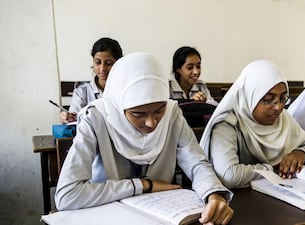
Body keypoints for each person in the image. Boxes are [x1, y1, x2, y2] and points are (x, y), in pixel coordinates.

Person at [55, 52, 233, 225]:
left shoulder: (172, 113)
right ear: (119, 104)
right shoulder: (96, 117)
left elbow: (197, 164)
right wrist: (143, 185)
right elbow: (67, 195)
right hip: (109, 215)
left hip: (162, 215)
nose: (151, 123)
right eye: (137, 113)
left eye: (159, 110)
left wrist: (213, 195)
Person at [199, 59, 305, 189]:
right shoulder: (227, 124)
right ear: (250, 97)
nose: (278, 107)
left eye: (283, 99)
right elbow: (230, 175)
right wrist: (273, 168)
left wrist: (302, 154)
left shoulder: (284, 119)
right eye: (268, 100)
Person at [59, 37, 123, 124]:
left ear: (118, 63)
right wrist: (69, 117)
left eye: (108, 63)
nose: (102, 68)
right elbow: (75, 120)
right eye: (98, 62)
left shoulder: (124, 90)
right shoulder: (82, 92)